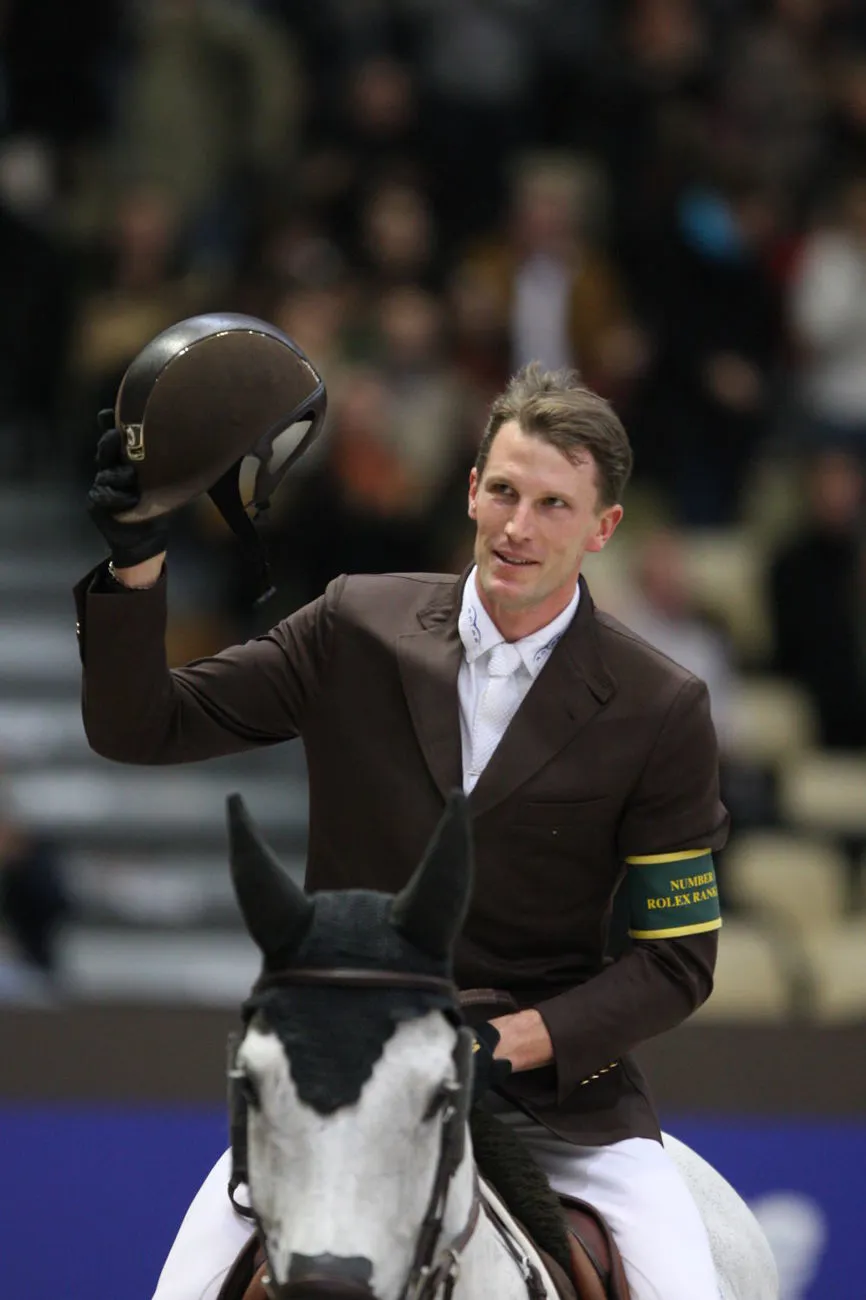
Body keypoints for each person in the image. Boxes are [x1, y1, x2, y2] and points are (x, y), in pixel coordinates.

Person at [76, 364, 728, 1300]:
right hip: (338, 1081)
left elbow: (675, 961)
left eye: (553, 504)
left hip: (556, 1106)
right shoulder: (353, 624)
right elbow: (142, 725)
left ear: (603, 527)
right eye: (503, 491)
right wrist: (137, 559)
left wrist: (503, 1044)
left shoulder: (661, 707)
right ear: (470, 489)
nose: (518, 526)